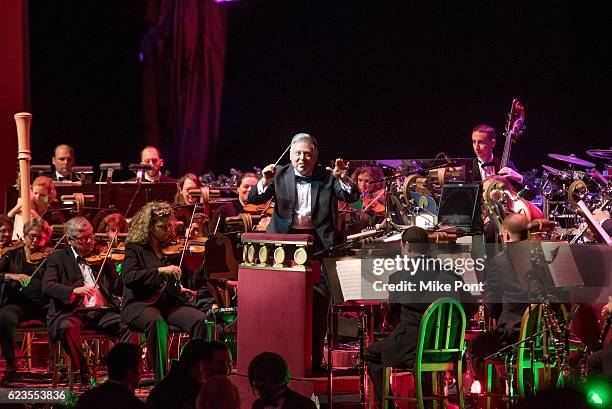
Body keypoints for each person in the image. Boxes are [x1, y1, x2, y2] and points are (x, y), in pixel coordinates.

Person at [365, 226, 476, 407]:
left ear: (406, 246)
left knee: (372, 353)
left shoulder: (399, 277)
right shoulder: (451, 275)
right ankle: (427, 402)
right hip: (448, 350)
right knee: (418, 341)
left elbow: (393, 315)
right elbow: (469, 308)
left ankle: (388, 406)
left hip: (414, 348)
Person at [120, 201, 209, 381]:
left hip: (168, 304)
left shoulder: (173, 249)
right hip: (140, 304)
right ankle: (162, 377)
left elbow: (190, 280)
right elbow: (129, 277)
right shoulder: (135, 248)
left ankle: (193, 373)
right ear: (149, 226)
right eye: (163, 226)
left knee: (199, 320)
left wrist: (205, 262)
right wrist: (160, 271)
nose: (169, 230)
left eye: (171, 225)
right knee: (157, 323)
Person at [42, 217, 123, 386]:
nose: (90, 241)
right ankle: (83, 370)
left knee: (129, 324)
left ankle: (118, 372)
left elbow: (118, 288)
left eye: (91, 236)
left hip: (102, 312)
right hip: (72, 312)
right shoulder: (58, 258)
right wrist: (73, 290)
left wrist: (122, 269)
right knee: (66, 328)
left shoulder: (102, 258)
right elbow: (48, 286)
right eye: (83, 238)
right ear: (69, 240)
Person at [248, 132, 360, 251]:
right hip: (282, 237)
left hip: (318, 238)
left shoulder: (328, 175)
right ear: (290, 155)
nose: (301, 158)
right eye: (298, 153)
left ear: (315, 156)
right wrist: (265, 180)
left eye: (307, 154)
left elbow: (352, 198)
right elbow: (253, 199)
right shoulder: (278, 174)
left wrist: (343, 180)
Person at [0, 218, 51, 382]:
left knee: (61, 319)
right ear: (24, 236)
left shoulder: (50, 257)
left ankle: (59, 366)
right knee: (4, 317)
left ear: (46, 238)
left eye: (40, 237)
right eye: (32, 236)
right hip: (18, 305)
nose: (35, 241)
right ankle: (11, 367)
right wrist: (10, 275)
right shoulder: (12, 255)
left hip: (45, 305)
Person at [147, 339, 232, 409]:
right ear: (202, 364)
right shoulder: (184, 396)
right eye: (220, 363)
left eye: (229, 363)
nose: (226, 369)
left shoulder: (184, 384)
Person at [471, 124, 537, 198]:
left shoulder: (506, 164)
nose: (476, 147)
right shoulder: (469, 166)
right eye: (474, 142)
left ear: (493, 143)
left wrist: (519, 177)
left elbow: (532, 194)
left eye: (481, 142)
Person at [75, 343, 145, 409]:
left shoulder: (86, 398)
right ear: (129, 372)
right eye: (140, 368)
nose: (141, 373)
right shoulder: (134, 404)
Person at [249, 352, 316, 409]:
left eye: (261, 379)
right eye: (255, 380)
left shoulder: (305, 405)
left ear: (278, 376)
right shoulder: (257, 405)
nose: (257, 385)